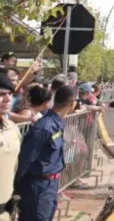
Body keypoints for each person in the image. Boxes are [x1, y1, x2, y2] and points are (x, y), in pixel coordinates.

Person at [15, 86, 79, 221]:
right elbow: (26, 158)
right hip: (38, 187)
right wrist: (17, 188)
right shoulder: (45, 127)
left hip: (50, 185)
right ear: (72, 103)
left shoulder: (56, 124)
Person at [0, 72, 22, 221]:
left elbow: (14, 167)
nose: (8, 98)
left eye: (10, 93)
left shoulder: (12, 128)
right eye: (1, 94)